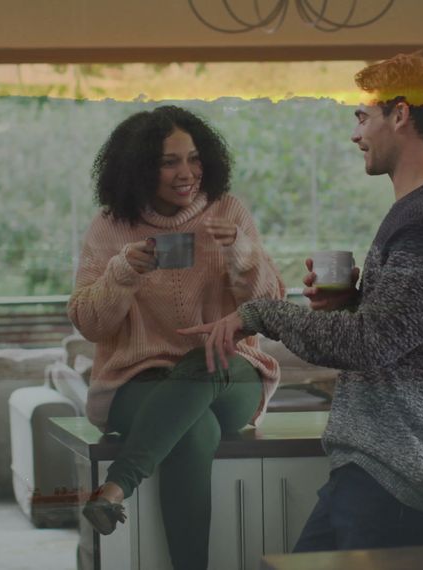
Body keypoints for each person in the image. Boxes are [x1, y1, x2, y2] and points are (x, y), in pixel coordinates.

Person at [180, 53, 423, 552]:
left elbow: (371, 344)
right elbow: (397, 334)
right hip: (380, 469)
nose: (355, 134)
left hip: (394, 476)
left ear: (402, 115)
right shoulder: (416, 214)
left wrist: (260, 313)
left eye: (363, 117)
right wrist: (352, 301)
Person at [67, 105, 284, 569]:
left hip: (228, 375)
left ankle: (116, 486)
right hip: (140, 384)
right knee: (193, 431)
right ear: (140, 168)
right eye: (170, 162)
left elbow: (271, 308)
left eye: (194, 158)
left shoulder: (228, 211)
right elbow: (90, 323)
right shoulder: (111, 226)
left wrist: (243, 256)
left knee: (209, 359)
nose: (187, 173)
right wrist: (122, 272)